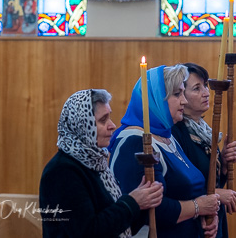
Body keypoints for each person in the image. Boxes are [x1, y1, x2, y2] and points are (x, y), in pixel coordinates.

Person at [109, 65, 220, 238]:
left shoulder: (167, 136)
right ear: (156, 99)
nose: (184, 101)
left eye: (183, 93)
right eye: (177, 94)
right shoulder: (134, 142)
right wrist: (198, 207)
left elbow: (191, 189)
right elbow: (152, 209)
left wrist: (206, 215)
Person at [39, 89, 163, 238]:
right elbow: (87, 232)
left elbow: (121, 227)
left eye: (109, 118)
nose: (112, 125)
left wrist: (145, 200)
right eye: (103, 120)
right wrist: (132, 202)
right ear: (83, 126)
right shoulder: (61, 171)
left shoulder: (97, 164)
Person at [171, 63, 236, 238]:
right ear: (180, 95)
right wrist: (216, 195)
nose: (206, 92)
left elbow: (212, 180)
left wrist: (223, 164)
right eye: (197, 88)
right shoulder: (176, 132)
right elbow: (179, 186)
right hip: (189, 223)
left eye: (206, 86)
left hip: (212, 216)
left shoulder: (203, 130)